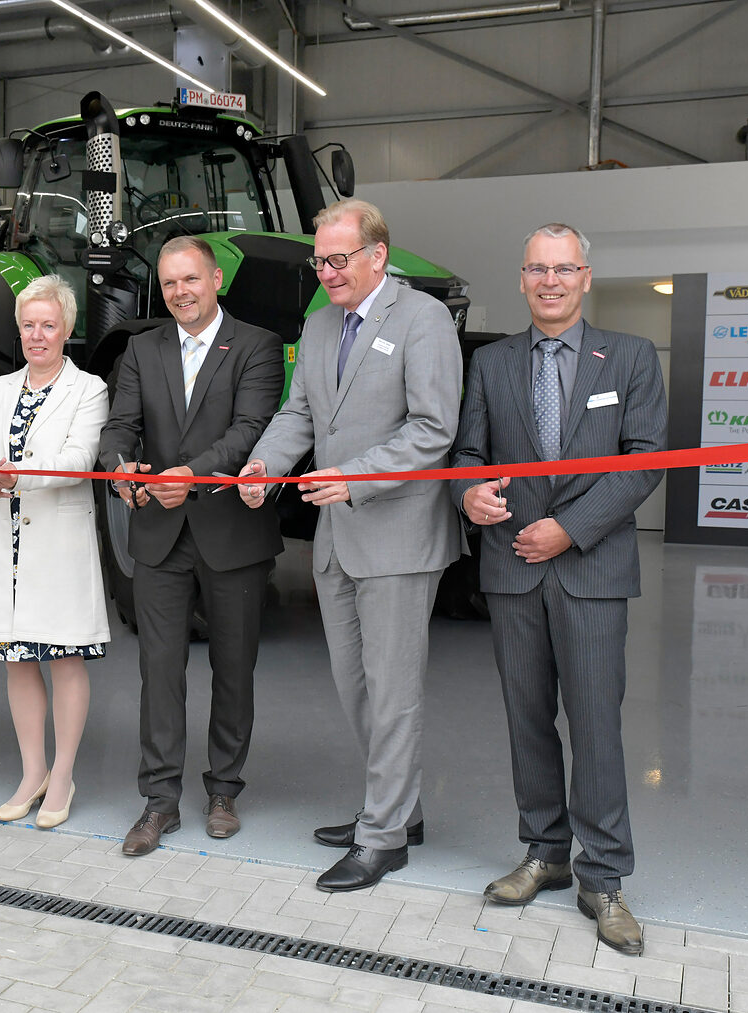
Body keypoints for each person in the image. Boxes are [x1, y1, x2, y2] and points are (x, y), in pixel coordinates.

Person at [450, 223, 667, 955]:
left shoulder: (630, 357)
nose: (550, 280)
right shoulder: (492, 363)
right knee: (526, 718)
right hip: (511, 569)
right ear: (522, 279)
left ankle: (603, 876)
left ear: (585, 276)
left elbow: (644, 462)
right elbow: (469, 455)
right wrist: (471, 496)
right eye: (537, 269)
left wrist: (569, 529)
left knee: (595, 726)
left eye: (563, 268)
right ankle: (544, 851)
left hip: (591, 570)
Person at [239, 198, 462, 892]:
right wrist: (264, 466)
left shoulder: (422, 320)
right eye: (320, 260)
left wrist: (353, 477)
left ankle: (384, 835)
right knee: (355, 686)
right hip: (338, 537)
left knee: (393, 692)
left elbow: (433, 430)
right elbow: (299, 411)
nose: (326, 272)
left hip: (397, 536)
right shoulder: (319, 323)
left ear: (378, 255)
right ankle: (397, 805)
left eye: (338, 259)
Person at [97, 236, 285, 856]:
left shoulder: (256, 345)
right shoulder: (140, 349)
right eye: (170, 283)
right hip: (158, 533)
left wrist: (190, 477)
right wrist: (122, 466)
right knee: (159, 672)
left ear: (216, 281)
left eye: (191, 280)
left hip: (231, 531)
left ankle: (224, 788)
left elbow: (250, 429)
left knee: (234, 668)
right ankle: (159, 800)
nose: (181, 292)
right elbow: (120, 424)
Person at [0, 275, 109, 830]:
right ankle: (33, 772)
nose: (38, 336)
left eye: (49, 325)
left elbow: (78, 461)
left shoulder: (88, 389)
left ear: (67, 330)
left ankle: (64, 773)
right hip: (6, 542)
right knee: (17, 658)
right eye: (29, 325)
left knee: (65, 657)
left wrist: (15, 475)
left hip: (57, 543)